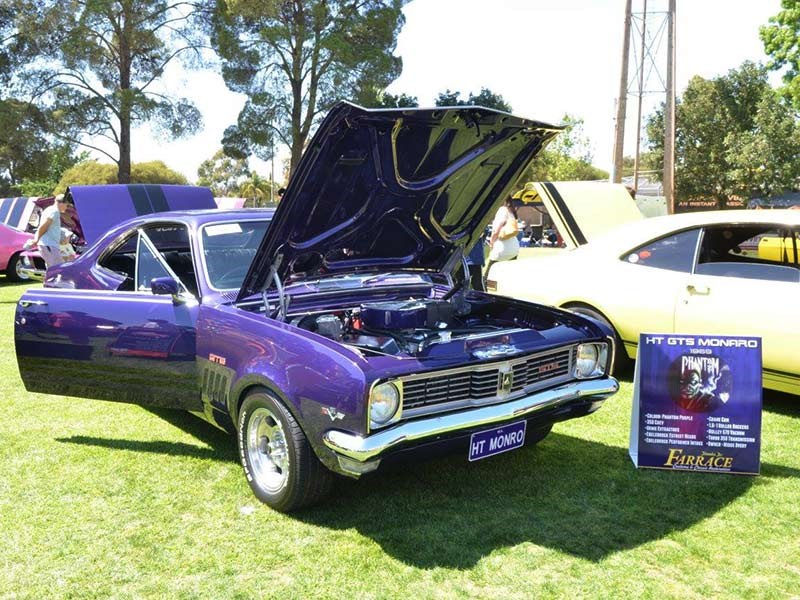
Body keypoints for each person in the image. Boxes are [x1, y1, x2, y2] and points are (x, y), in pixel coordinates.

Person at [25, 194, 71, 269]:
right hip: (49, 245)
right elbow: (44, 226)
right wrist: (36, 240)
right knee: (58, 270)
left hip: (48, 245)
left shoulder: (48, 209)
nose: (66, 207)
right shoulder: (54, 211)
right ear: (61, 203)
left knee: (52, 270)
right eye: (67, 205)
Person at [485, 197, 520, 276]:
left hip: (502, 248)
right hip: (513, 248)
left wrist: (491, 243)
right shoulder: (511, 211)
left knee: (488, 276)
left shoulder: (502, 210)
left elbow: (496, 231)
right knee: (508, 275)